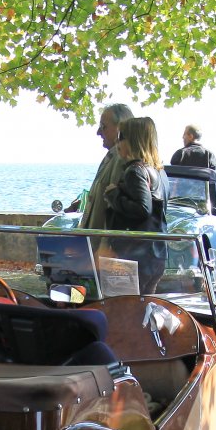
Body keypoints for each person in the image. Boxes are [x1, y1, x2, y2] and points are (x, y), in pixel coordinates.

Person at [105, 116, 168, 291]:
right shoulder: (159, 172)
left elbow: (143, 208)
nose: (117, 143)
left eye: (120, 137)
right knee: (144, 304)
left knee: (122, 303)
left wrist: (113, 194)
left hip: (135, 256)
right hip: (157, 254)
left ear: (132, 141)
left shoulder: (135, 171)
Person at [76, 103, 133, 230]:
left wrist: (105, 241)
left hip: (104, 241)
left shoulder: (121, 160)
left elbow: (115, 210)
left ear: (120, 128)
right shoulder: (111, 157)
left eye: (103, 126)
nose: (98, 132)